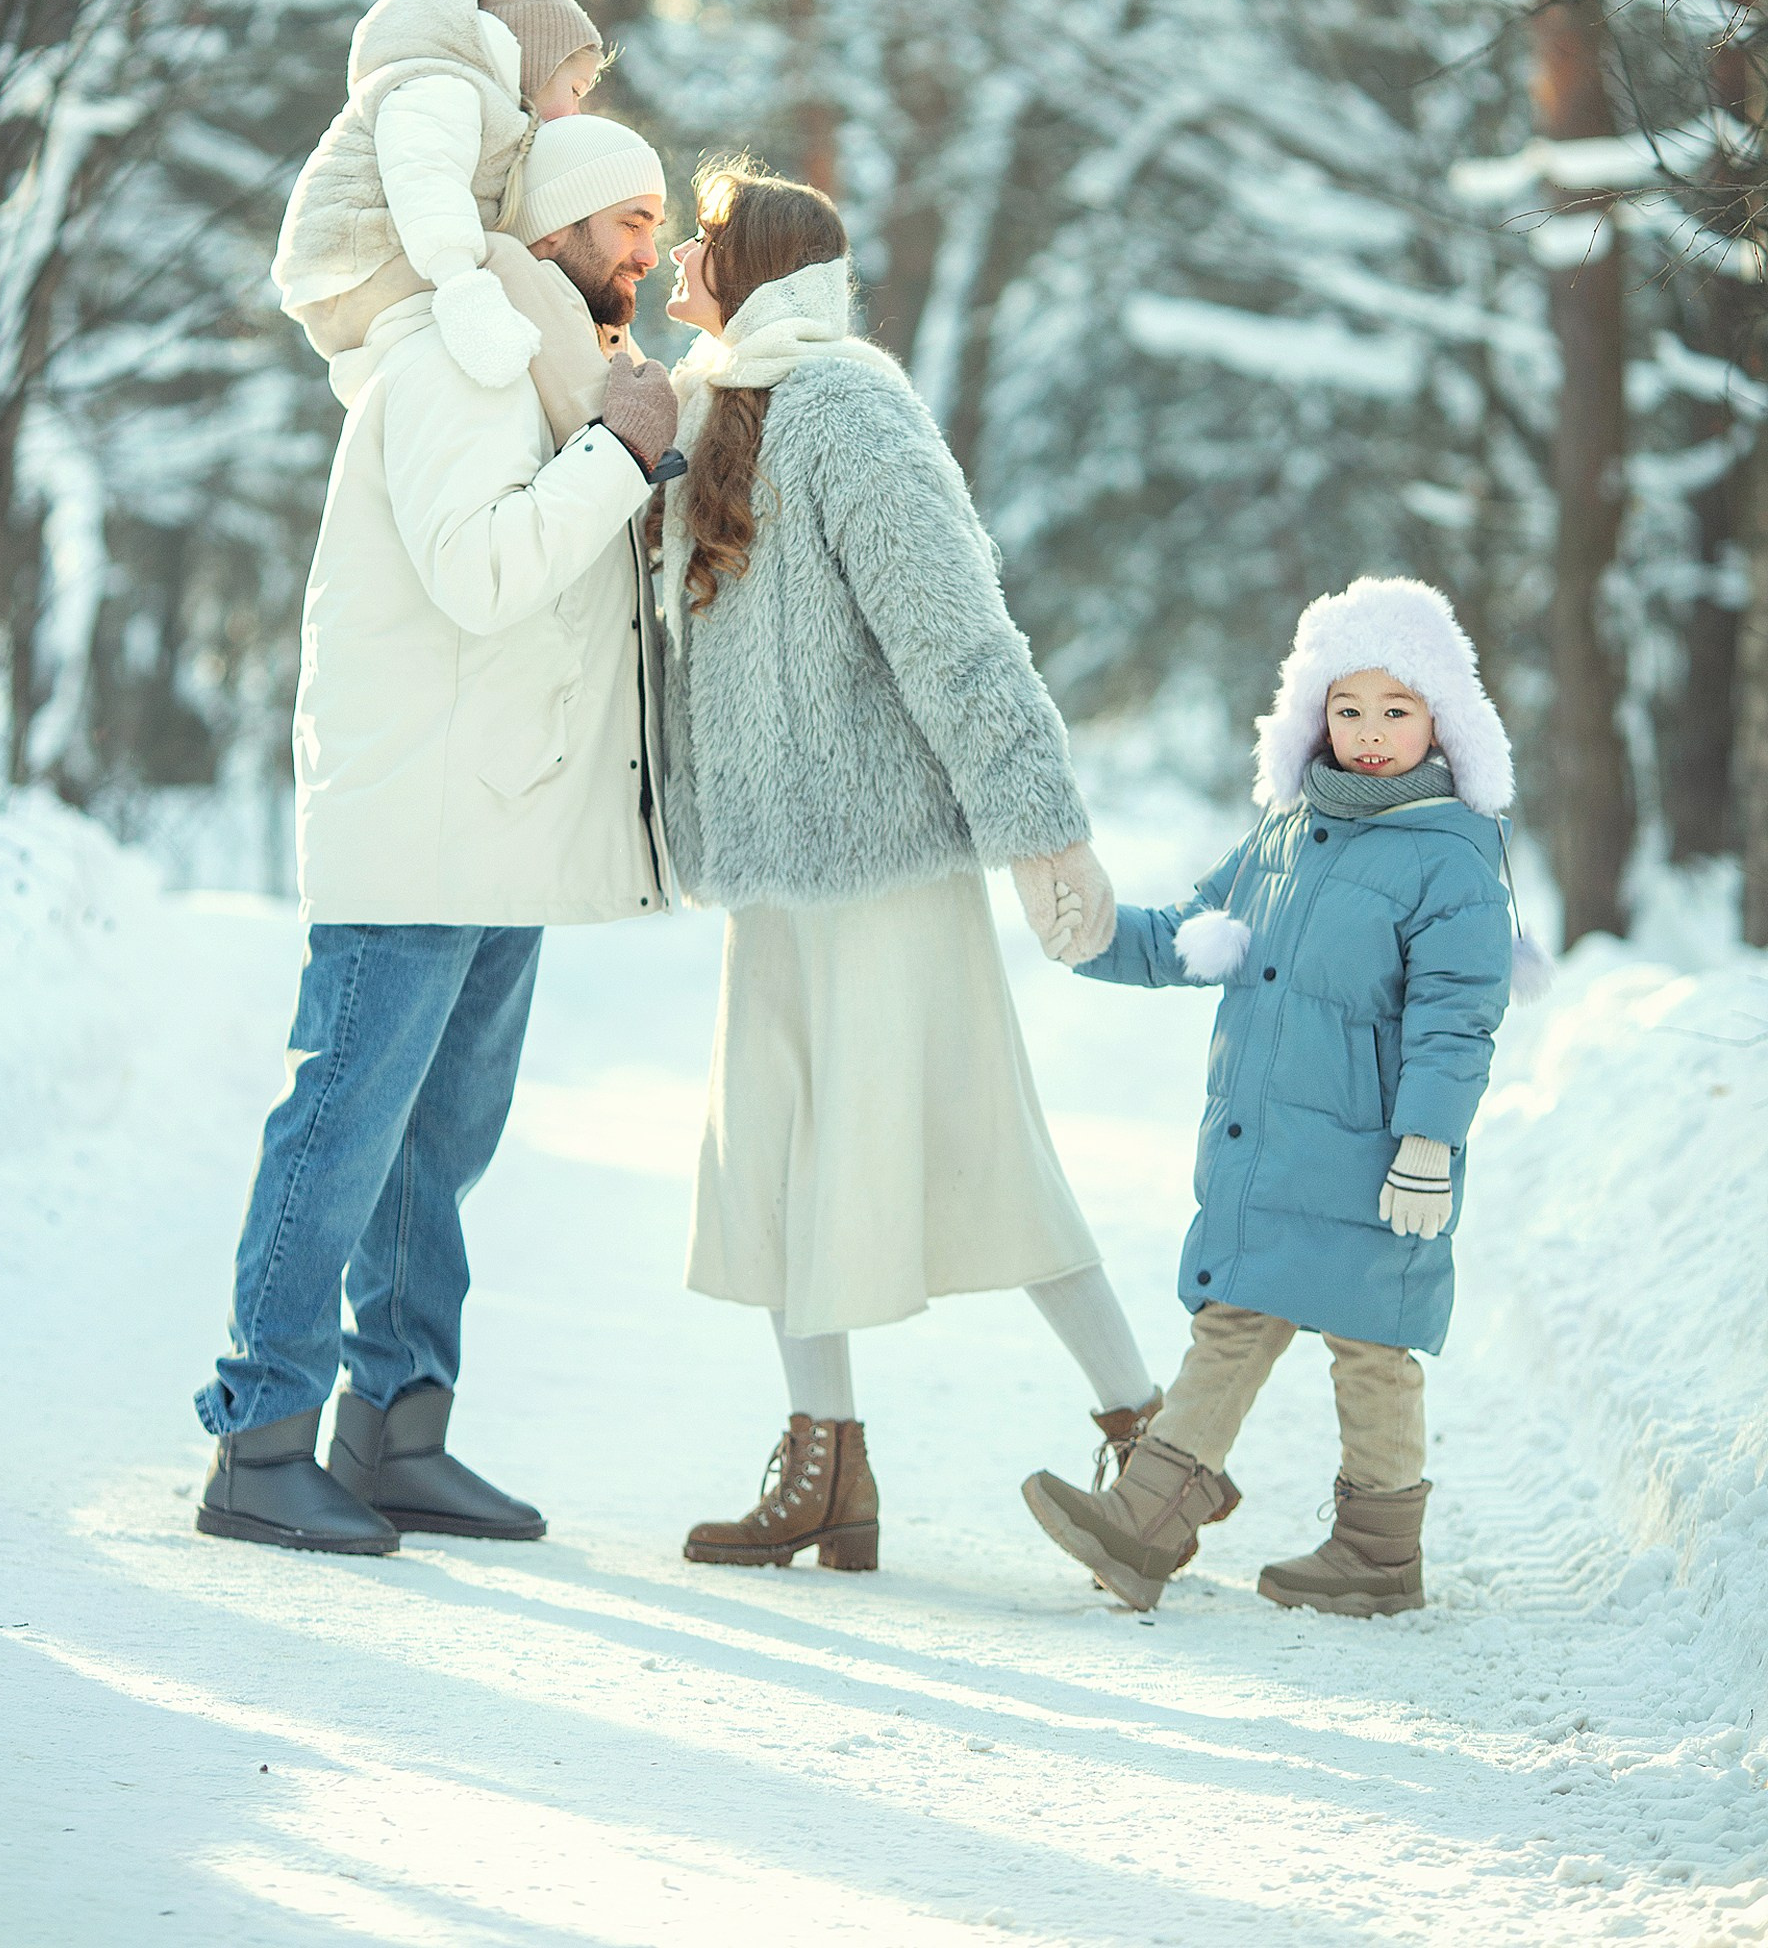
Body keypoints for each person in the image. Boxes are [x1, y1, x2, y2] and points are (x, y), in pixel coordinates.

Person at [196, 113, 686, 1556]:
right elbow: (483, 574)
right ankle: (260, 1438)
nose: (649, 255)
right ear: (551, 234)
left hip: (499, 831)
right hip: (417, 823)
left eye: (660, 223)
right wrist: (615, 453)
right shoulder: (457, 360)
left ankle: (398, 1433)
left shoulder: (547, 367)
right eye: (627, 224)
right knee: (345, 1127)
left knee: (436, 1150)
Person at [657, 160, 1149, 1575]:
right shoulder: (705, 410)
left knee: (978, 1138)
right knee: (782, 1151)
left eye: (700, 239)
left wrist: (1043, 830)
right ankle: (825, 1468)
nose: (679, 258)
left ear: (755, 267)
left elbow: (956, 631)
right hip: (770, 874)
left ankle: (1148, 1439)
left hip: (884, 869)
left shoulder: (855, 409)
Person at [1022, 575, 1544, 1618]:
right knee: (1231, 1322)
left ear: (1440, 718)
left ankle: (1376, 1552)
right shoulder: (1285, 835)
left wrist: (1427, 1145)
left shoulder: (1450, 859)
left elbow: (1454, 1016)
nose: (1366, 733)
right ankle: (1145, 1523)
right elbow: (1189, 937)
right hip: (1272, 1158)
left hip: (1371, 1162)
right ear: (1312, 714)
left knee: (1370, 1351)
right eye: (1344, 709)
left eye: (1394, 711)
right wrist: (1085, 930)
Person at [272, 0, 605, 388]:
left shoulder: (486, 105)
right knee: (508, 262)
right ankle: (597, 420)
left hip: (375, 271)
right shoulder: (442, 85)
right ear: (535, 62)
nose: (577, 111)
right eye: (575, 90)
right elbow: (424, 174)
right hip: (359, 261)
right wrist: (464, 288)